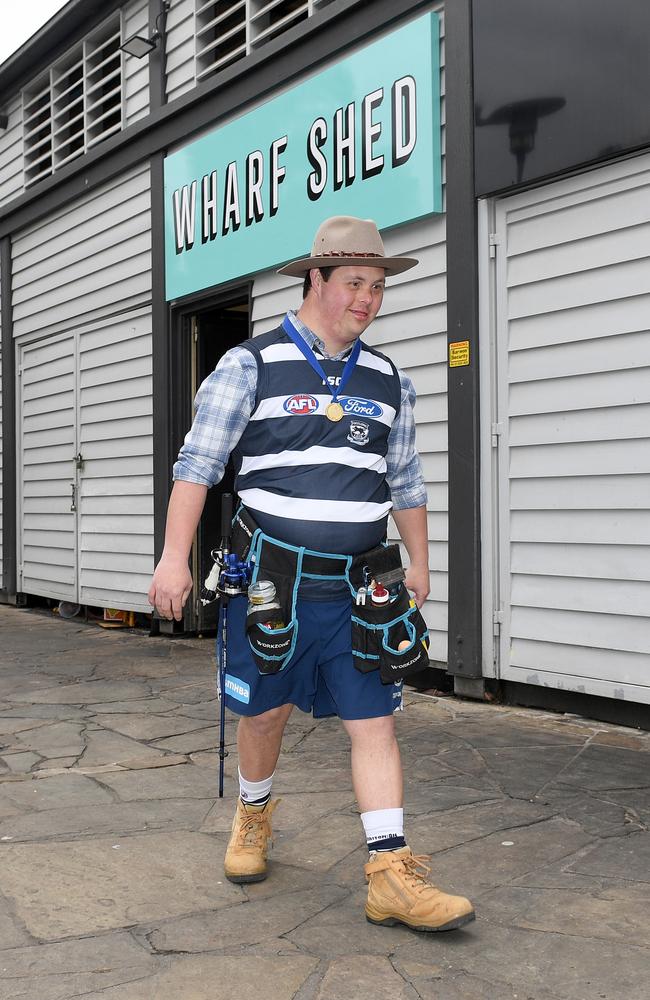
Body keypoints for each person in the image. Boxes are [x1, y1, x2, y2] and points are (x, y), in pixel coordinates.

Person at [148, 216, 475, 933]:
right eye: (355, 282)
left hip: (363, 587)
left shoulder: (389, 379)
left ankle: (390, 870)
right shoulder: (249, 366)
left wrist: (421, 562)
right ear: (315, 279)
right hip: (273, 584)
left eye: (379, 286)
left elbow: (407, 482)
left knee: (375, 721)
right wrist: (174, 556)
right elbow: (196, 469)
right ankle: (254, 813)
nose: (368, 298)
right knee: (265, 713)